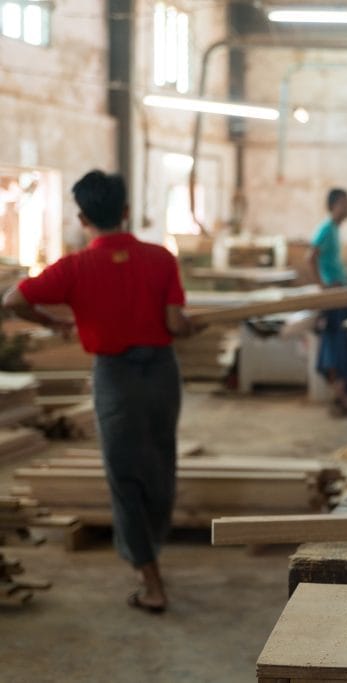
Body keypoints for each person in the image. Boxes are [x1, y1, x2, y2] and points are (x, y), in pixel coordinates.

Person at [2, 170, 197, 613]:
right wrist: (188, 326)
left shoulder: (74, 268)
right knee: (160, 463)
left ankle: (150, 579)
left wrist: (54, 323)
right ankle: (152, 550)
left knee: (123, 476)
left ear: (82, 218)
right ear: (126, 211)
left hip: (115, 377)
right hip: (162, 373)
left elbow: (13, 299)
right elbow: (174, 324)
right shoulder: (161, 258)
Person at [307, 188, 347, 416]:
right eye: (345, 203)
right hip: (334, 296)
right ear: (335, 205)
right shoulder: (326, 229)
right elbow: (310, 257)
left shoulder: (334, 230)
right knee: (337, 347)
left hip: (341, 293)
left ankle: (340, 398)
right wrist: (322, 287)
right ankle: (340, 399)